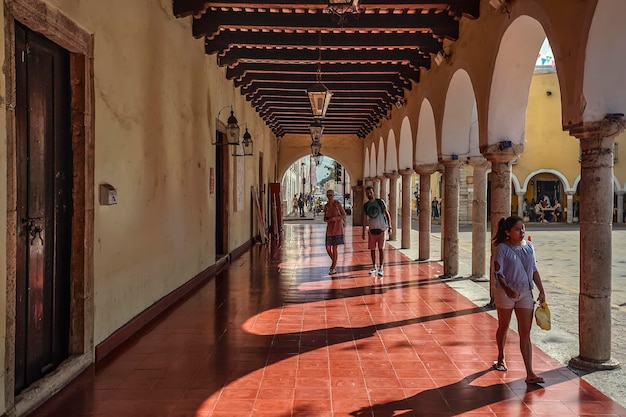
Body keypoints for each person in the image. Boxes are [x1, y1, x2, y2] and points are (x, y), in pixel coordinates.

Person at [492, 215, 546, 385]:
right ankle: (501, 355)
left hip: (525, 294)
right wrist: (507, 288)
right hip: (505, 293)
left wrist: (541, 290)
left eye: (523, 228)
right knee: (504, 326)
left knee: (525, 333)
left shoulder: (529, 246)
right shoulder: (502, 248)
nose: (522, 231)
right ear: (508, 232)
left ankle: (530, 372)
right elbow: (498, 273)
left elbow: (534, 269)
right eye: (517, 229)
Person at [362, 186, 392, 276]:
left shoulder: (380, 202)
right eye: (367, 193)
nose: (369, 194)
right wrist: (363, 231)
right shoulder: (366, 205)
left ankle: (381, 267)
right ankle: (374, 266)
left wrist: (390, 226)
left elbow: (387, 214)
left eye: (370, 192)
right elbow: (364, 219)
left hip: (382, 229)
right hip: (372, 230)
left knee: (381, 249)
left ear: (373, 192)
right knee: (372, 249)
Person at [323, 190, 346, 275]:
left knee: (334, 248)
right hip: (330, 229)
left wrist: (335, 219)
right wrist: (328, 219)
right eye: (328, 195)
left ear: (333, 196)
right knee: (328, 248)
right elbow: (324, 218)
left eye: (331, 195)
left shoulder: (337, 205)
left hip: (337, 228)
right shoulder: (326, 206)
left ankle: (333, 266)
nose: (330, 197)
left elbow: (344, 215)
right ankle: (334, 262)